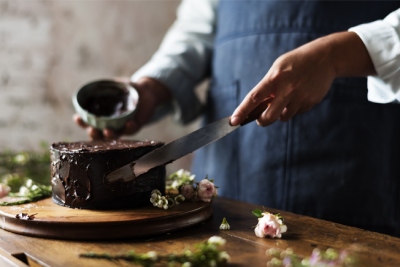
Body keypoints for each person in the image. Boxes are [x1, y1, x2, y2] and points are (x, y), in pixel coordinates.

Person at [75, 1, 400, 237]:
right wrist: (153, 86)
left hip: (360, 166)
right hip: (234, 172)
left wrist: (337, 55)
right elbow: (198, 28)